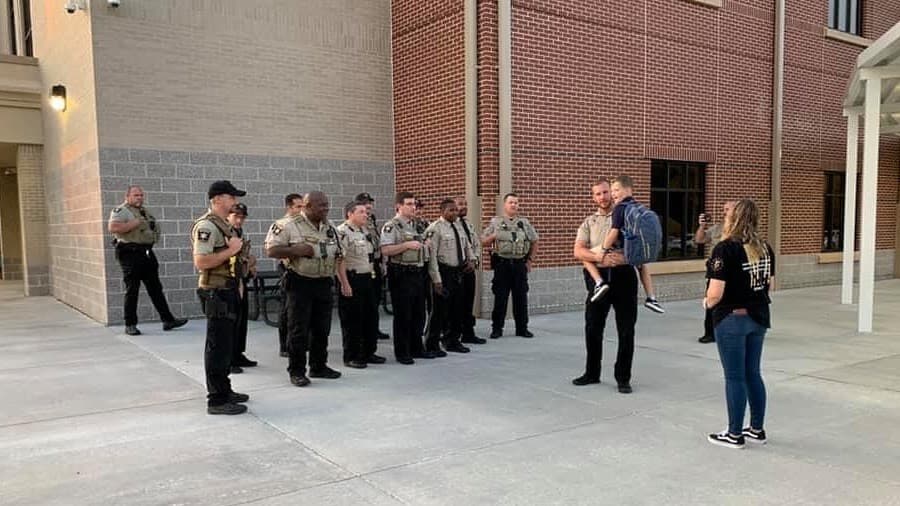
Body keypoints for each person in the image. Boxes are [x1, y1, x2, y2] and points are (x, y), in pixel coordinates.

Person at [705, 198, 775, 449]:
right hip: (758, 317)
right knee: (753, 373)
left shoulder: (725, 249)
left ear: (733, 218)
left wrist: (707, 303)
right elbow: (771, 285)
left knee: (734, 377)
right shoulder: (765, 248)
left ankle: (734, 433)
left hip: (732, 319)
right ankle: (756, 428)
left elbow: (716, 292)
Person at [265, 191, 343, 387]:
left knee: (321, 328)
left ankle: (318, 366)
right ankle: (297, 371)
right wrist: (295, 251)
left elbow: (339, 251)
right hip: (300, 282)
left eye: (327, 205)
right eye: (321, 206)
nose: (326, 209)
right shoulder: (287, 225)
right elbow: (271, 250)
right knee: (298, 329)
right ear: (307, 206)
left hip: (324, 281)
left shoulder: (330, 226)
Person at [572, 178, 636, 394]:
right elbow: (578, 251)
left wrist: (623, 259)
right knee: (592, 327)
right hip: (597, 278)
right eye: (597, 194)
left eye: (606, 192)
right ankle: (592, 373)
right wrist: (601, 259)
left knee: (626, 329)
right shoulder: (589, 223)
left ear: (613, 192)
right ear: (593, 197)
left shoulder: (629, 216)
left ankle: (623, 378)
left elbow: (642, 249)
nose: (602, 197)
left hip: (624, 278)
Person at [191, 180, 250, 415]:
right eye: (231, 197)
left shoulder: (223, 225)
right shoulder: (207, 226)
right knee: (217, 346)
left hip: (228, 290)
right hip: (216, 292)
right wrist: (232, 250)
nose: (235, 202)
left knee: (226, 346)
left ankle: (225, 390)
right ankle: (216, 400)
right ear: (217, 199)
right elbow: (201, 261)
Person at [107, 185, 188, 336]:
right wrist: (134, 223)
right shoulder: (121, 210)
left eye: (141, 195)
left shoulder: (144, 211)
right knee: (132, 290)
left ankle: (168, 320)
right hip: (130, 253)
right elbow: (113, 227)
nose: (139, 198)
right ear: (127, 197)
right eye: (136, 195)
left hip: (146, 252)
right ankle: (130, 324)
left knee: (156, 288)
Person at [586, 175, 664, 313]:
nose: (613, 194)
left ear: (628, 189)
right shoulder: (638, 206)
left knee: (586, 256)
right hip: (635, 247)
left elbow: (614, 233)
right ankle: (651, 298)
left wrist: (603, 250)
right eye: (612, 191)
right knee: (642, 265)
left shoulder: (620, 208)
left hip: (622, 247)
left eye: (616, 190)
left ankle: (599, 283)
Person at [381, 191, 437, 364]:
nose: (413, 207)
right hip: (401, 274)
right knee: (403, 314)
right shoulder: (392, 226)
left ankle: (417, 348)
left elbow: (423, 245)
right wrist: (406, 245)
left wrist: (425, 246)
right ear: (399, 206)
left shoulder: (418, 225)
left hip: (419, 273)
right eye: (409, 204)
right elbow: (385, 250)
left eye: (414, 204)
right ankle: (402, 351)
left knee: (419, 314)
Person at [481, 193, 538, 339]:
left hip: (519, 265)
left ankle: (522, 328)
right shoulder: (496, 222)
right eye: (511, 202)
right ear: (505, 205)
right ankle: (497, 329)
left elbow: (534, 240)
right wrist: (494, 236)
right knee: (501, 298)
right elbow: (482, 241)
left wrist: (530, 261)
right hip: (502, 264)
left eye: (516, 203)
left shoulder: (524, 223)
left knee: (521, 298)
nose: (514, 205)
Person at [336, 200, 385, 368]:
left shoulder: (364, 231)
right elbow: (339, 260)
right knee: (352, 320)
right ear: (350, 214)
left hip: (368, 278)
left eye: (366, 212)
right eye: (361, 212)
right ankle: (352, 356)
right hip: (352, 279)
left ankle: (369, 352)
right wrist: (344, 283)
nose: (366, 214)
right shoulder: (342, 232)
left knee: (370, 317)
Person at [425, 198, 474, 354]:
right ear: (442, 211)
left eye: (455, 210)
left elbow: (467, 245)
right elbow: (431, 258)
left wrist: (471, 259)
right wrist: (436, 280)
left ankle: (452, 341)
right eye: (451, 210)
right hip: (443, 272)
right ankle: (432, 344)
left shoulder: (459, 226)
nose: (455, 212)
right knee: (439, 311)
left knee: (457, 309)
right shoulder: (435, 229)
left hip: (458, 272)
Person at [694, 200, 737, 343]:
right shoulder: (717, 228)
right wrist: (702, 226)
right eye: (723, 209)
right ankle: (710, 333)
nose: (724, 212)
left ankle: (730, 331)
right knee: (711, 301)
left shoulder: (740, 229)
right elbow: (699, 239)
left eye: (727, 209)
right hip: (716, 270)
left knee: (731, 303)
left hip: (733, 271)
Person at [226, 203, 258, 374]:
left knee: (241, 320)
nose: (239, 220)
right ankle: (229, 359)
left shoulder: (238, 232)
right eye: (236, 216)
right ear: (228, 215)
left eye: (242, 217)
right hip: (229, 281)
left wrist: (250, 262)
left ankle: (238, 353)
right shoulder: (224, 232)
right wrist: (248, 261)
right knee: (231, 321)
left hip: (241, 279)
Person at [355, 192, 391, 341]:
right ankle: (364, 331)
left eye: (370, 203)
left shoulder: (372, 220)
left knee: (375, 300)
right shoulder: (357, 222)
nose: (368, 206)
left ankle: (373, 329)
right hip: (363, 265)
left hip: (375, 263)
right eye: (364, 203)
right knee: (365, 302)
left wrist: (383, 263)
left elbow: (377, 243)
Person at [455, 197, 486, 345]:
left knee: (468, 302)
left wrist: (475, 261)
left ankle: (468, 333)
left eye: (465, 204)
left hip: (470, 269)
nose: (464, 207)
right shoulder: (450, 226)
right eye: (460, 204)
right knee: (456, 303)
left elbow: (477, 244)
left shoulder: (468, 224)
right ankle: (453, 335)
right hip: (457, 271)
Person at [277, 193, 304, 357]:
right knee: (287, 309)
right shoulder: (282, 225)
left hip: (304, 271)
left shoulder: (303, 224)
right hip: (289, 269)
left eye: (303, 206)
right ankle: (285, 345)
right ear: (289, 207)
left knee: (301, 310)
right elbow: (276, 250)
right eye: (298, 207)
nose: (301, 210)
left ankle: (300, 342)